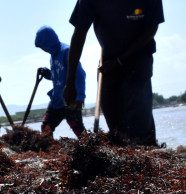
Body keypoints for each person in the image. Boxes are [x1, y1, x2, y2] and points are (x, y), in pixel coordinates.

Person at [63, 0, 164, 146]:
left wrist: (120, 60)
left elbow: (152, 29)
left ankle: (145, 147)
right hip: (108, 62)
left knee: (139, 121)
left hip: (139, 57)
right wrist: (70, 83)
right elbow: (79, 35)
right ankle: (123, 152)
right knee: (116, 127)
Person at [35, 26, 86, 138]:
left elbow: (80, 75)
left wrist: (80, 97)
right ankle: (48, 152)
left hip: (70, 100)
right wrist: (46, 72)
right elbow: (56, 76)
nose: (43, 49)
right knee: (46, 128)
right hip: (56, 101)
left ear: (48, 41)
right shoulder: (52, 57)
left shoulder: (66, 51)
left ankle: (91, 150)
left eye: (43, 46)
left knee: (79, 131)